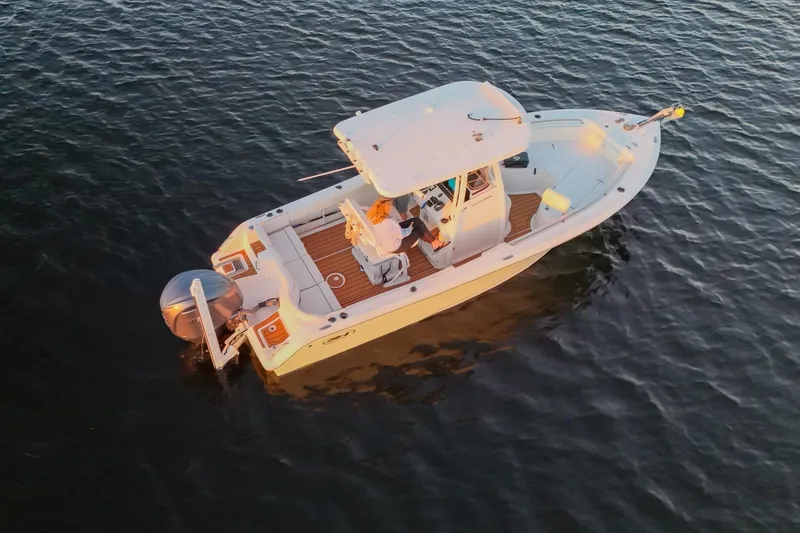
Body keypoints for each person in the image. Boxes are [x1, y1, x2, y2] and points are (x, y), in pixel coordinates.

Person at [365, 197, 449, 254]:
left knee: (416, 220)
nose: (391, 206)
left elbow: (393, 228)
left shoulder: (372, 216)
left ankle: (434, 242)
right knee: (418, 230)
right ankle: (435, 243)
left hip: (387, 241)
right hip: (396, 247)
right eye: (390, 205)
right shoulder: (388, 222)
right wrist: (410, 228)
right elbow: (401, 235)